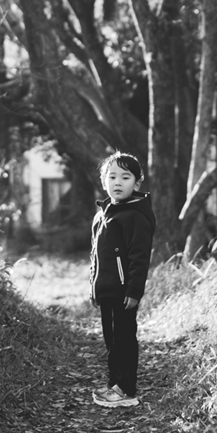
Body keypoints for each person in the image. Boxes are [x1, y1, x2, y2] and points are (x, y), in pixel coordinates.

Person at [89, 151, 155, 408]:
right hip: (107, 289)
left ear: (136, 183)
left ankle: (127, 390)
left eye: (125, 178)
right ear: (104, 180)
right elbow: (96, 256)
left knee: (124, 339)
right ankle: (114, 385)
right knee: (111, 341)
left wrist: (134, 290)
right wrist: (94, 287)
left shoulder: (135, 216)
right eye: (112, 176)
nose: (118, 182)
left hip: (124, 291)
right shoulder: (104, 214)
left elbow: (140, 258)